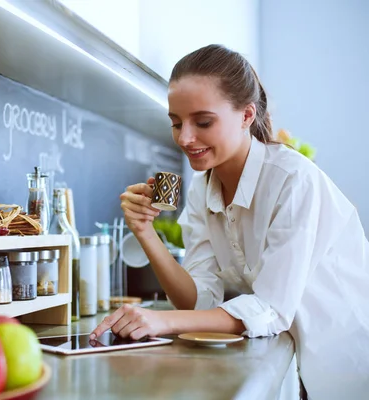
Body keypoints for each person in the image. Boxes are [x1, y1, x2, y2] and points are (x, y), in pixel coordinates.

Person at [90, 44, 369, 400]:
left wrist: (161, 320)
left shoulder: (293, 180)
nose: (185, 138)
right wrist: (145, 232)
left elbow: (270, 308)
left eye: (203, 122)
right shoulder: (202, 189)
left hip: (349, 362)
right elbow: (198, 299)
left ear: (246, 115)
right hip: (297, 367)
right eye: (176, 123)